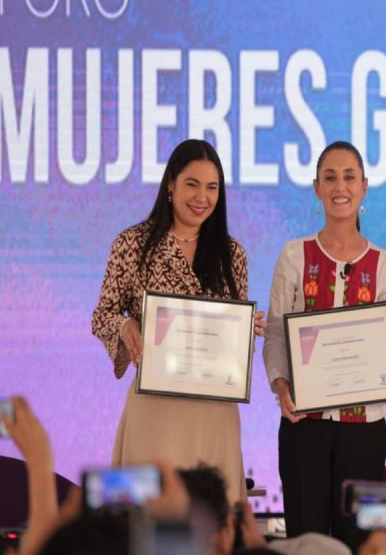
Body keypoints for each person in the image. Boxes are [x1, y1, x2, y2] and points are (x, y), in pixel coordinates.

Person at [91, 139, 264, 504]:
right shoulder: (132, 244)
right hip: (156, 407)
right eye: (192, 184)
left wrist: (246, 331)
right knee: (150, 518)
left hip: (213, 410)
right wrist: (125, 327)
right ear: (170, 184)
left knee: (210, 519)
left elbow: (231, 341)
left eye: (212, 187)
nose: (202, 197)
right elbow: (103, 314)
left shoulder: (232, 254)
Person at [262, 141, 386, 552]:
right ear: (316, 187)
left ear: (364, 187)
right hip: (303, 424)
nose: (339, 187)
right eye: (330, 178)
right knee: (305, 539)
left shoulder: (384, 263)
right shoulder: (294, 255)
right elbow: (276, 333)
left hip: (364, 429)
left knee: (361, 540)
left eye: (349, 177)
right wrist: (280, 386)